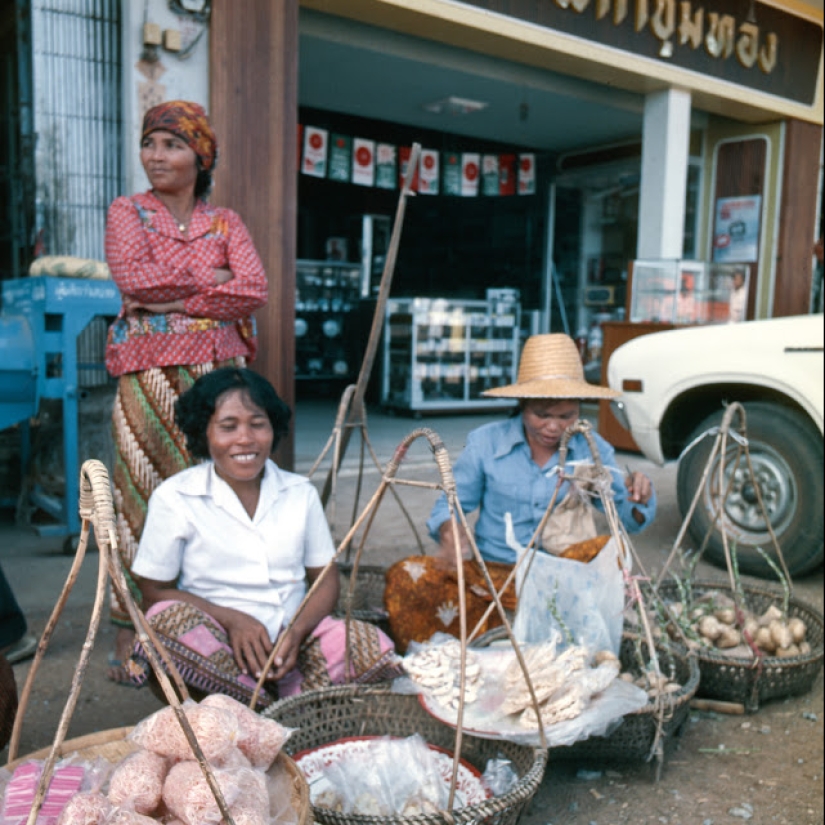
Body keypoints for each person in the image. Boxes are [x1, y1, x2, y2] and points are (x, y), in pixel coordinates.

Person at [104, 100, 268, 683]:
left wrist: (171, 300)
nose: (155, 156)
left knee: (213, 494)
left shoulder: (224, 221)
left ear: (200, 156)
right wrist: (210, 284)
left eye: (171, 145)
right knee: (138, 493)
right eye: (150, 143)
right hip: (147, 373)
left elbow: (253, 288)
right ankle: (130, 626)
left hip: (217, 374)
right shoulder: (128, 212)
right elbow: (134, 279)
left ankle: (203, 621)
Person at [124, 367, 402, 707]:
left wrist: (296, 632)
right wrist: (232, 620)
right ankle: (258, 703)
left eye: (257, 424)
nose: (245, 439)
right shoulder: (175, 497)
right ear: (204, 433)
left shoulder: (299, 493)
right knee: (162, 622)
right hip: (218, 648)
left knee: (366, 643)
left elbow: (325, 579)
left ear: (272, 429)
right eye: (228, 427)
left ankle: (284, 699)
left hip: (296, 645)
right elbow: (154, 592)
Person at [384, 333, 656, 651]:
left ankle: (531, 633)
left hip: (561, 581)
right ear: (522, 406)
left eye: (566, 416)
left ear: (579, 411)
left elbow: (629, 519)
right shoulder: (486, 443)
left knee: (604, 548)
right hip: (493, 578)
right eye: (541, 414)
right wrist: (450, 531)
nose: (553, 427)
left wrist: (640, 494)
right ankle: (491, 636)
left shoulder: (593, 450)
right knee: (406, 577)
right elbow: (452, 503)